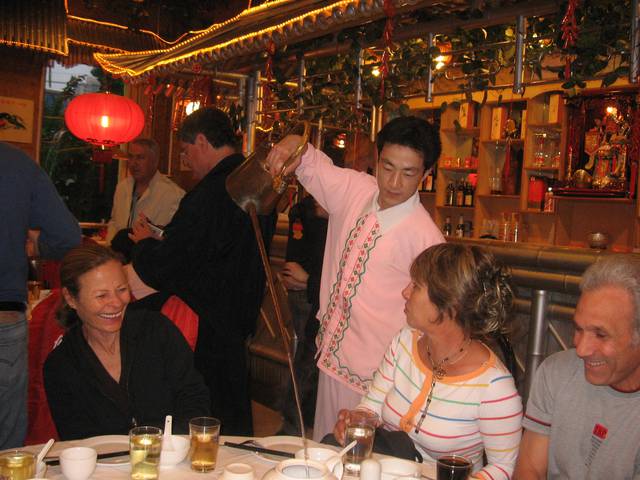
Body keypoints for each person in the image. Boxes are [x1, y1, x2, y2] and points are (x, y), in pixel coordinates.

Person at [266, 115, 445, 440]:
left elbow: (435, 319)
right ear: (376, 159)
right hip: (333, 356)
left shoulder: (427, 239)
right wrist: (295, 144)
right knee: (327, 447)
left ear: (427, 173)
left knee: (363, 461)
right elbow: (312, 164)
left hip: (381, 376)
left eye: (408, 173)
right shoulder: (354, 189)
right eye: (387, 167)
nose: (393, 182)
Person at [129, 107, 275, 435]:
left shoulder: (212, 191)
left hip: (206, 322)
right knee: (232, 403)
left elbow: (173, 264)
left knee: (204, 409)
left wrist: (144, 245)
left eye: (185, 151)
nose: (186, 160)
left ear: (201, 141)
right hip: (238, 314)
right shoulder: (255, 180)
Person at [334, 244, 522, 478]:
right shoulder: (404, 342)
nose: (405, 292)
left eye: (416, 286)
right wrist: (356, 421)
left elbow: (504, 467)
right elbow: (371, 407)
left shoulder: (495, 387)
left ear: (449, 304)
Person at [43, 245, 210, 440]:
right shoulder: (62, 364)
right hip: (105, 467)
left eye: (122, 290)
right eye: (101, 295)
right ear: (71, 299)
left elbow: (194, 399)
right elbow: (77, 440)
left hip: (171, 459)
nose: (116, 302)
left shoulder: (156, 330)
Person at [515, 254, 640, 479]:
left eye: (600, 334)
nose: (581, 349)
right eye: (579, 329)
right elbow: (529, 470)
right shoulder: (557, 372)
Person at [0, 141, 81, 449]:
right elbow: (67, 236)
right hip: (4, 312)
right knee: (6, 441)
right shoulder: (17, 165)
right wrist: (34, 245)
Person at [280, 195, 329, 434]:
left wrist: (307, 281)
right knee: (307, 358)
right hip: (311, 298)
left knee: (307, 358)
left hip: (315, 294)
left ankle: (296, 423)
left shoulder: (334, 216)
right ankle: (293, 423)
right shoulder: (304, 211)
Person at [106, 137, 184, 247]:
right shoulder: (122, 187)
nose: (133, 163)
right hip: (119, 257)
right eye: (131, 157)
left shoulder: (173, 194)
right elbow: (114, 222)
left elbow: (173, 238)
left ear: (155, 161)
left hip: (151, 258)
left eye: (140, 158)